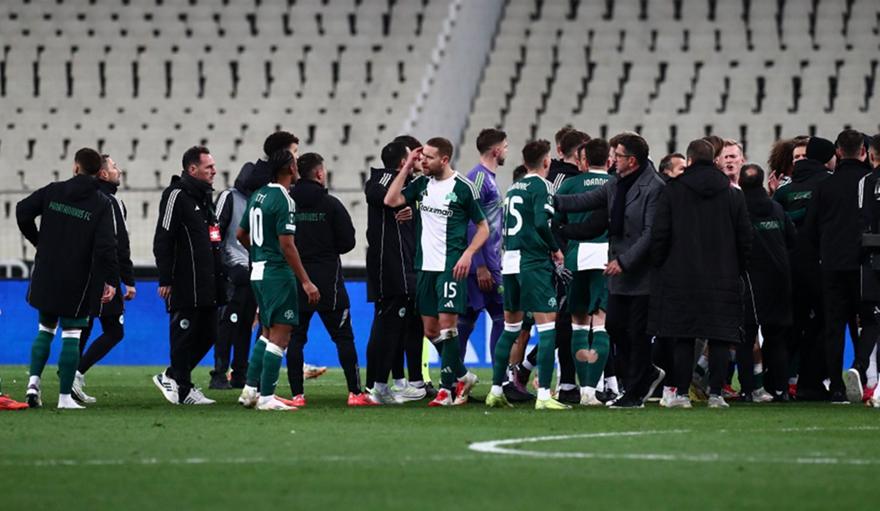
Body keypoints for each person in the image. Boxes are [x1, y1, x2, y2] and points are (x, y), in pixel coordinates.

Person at [555, 133, 666, 408]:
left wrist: (624, 261)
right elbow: (586, 200)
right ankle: (646, 374)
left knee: (637, 333)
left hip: (641, 272)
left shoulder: (654, 187)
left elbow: (650, 234)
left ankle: (635, 392)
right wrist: (553, 203)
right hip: (618, 272)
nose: (612, 160)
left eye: (617, 155)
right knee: (615, 327)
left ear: (632, 160)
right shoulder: (615, 183)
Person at [384, 137, 489, 406]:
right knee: (431, 331)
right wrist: (407, 165)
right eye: (422, 156)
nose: (423, 161)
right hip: (425, 267)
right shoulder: (422, 184)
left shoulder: (463, 187)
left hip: (450, 266)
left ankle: (446, 391)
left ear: (444, 159)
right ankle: (463, 375)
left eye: (428, 157)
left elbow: (483, 227)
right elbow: (391, 199)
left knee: (447, 326)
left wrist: (468, 254)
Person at [648, 139, 751, 409]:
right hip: (723, 274)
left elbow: (660, 234)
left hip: (680, 275)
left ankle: (681, 394)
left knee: (683, 335)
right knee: (720, 336)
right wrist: (737, 269)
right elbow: (745, 238)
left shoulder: (672, 191)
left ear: (690, 160)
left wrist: (661, 265)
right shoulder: (733, 194)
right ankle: (716, 394)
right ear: (715, 160)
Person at [16, 147, 119, 409]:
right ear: (98, 173)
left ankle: (33, 384)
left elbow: (22, 211)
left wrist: (38, 241)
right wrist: (108, 279)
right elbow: (106, 246)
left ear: (75, 167)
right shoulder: (102, 203)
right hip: (78, 277)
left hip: (47, 271)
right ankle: (64, 398)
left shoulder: (53, 191)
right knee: (71, 334)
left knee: (45, 329)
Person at [286, 153, 375, 407]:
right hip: (329, 282)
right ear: (319, 173)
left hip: (296, 280)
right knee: (343, 338)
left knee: (295, 340)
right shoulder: (331, 204)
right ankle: (355, 393)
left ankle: (297, 396)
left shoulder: (288, 203)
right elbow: (348, 242)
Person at [236, 149, 320, 411]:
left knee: (266, 332)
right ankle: (267, 398)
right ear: (290, 168)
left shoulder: (258, 194)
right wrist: (306, 281)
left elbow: (240, 234)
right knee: (281, 336)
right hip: (276, 274)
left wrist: (260, 253)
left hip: (258, 271)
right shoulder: (285, 199)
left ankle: (250, 391)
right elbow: (287, 245)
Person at [487, 139, 568, 410]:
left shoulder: (514, 187)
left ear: (524, 162)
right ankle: (544, 395)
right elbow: (540, 223)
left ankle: (496, 390)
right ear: (546, 161)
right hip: (532, 263)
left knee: (510, 329)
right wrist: (555, 249)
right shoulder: (542, 186)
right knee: (547, 328)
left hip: (509, 262)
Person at [152, 146, 227, 405]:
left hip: (208, 281)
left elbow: (213, 239)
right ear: (192, 169)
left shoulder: (205, 198)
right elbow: (163, 238)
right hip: (184, 280)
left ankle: (172, 376)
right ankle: (183, 389)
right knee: (183, 335)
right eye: (209, 167)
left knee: (210, 334)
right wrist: (165, 278)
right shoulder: (175, 195)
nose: (214, 171)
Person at [804, 129, 873, 403]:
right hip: (863, 264)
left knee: (834, 326)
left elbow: (810, 230)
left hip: (832, 264)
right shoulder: (869, 183)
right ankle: (861, 371)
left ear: (838, 152)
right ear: (864, 151)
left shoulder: (825, 185)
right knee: (868, 322)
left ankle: (835, 386)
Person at [364, 141, 430, 403]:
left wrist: (413, 210)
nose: (420, 161)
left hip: (408, 266)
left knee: (406, 327)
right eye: (415, 157)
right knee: (388, 326)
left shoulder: (414, 186)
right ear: (404, 162)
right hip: (391, 268)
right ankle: (377, 385)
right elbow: (380, 196)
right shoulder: (382, 178)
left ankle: (407, 382)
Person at [554, 138, 613, 406]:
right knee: (600, 323)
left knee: (577, 323)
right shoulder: (616, 185)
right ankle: (590, 391)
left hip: (576, 258)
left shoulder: (570, 185)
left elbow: (554, 222)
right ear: (609, 160)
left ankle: (581, 389)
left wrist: (560, 252)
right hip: (606, 259)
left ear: (584, 160)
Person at [773, 136, 832, 399]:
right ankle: (803, 380)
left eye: (803, 156)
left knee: (797, 325)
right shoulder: (786, 190)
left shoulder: (786, 191)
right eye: (795, 157)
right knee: (811, 324)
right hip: (812, 264)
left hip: (796, 265)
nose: (799, 160)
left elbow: (779, 220)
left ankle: (785, 382)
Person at [75, 155, 136, 403]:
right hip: (103, 275)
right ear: (102, 174)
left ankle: (68, 377)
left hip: (80, 273)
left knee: (83, 327)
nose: (118, 170)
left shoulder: (84, 198)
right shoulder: (110, 202)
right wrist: (127, 279)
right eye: (113, 167)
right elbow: (118, 243)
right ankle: (76, 373)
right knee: (114, 331)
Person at [740, 164, 796, 402]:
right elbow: (792, 239)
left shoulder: (739, 209)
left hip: (751, 279)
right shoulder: (776, 208)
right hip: (781, 278)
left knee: (746, 337)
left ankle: (748, 389)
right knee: (776, 338)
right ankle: (781, 389)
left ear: (741, 183)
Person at [457, 129, 507, 370]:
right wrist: (480, 265)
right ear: (496, 151)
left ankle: (453, 378)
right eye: (505, 147)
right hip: (484, 265)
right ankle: (500, 379)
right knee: (503, 318)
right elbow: (471, 222)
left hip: (488, 261)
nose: (506, 151)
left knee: (466, 320)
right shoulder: (478, 178)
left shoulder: (488, 178)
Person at [211, 160, 260, 389]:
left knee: (245, 323)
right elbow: (215, 228)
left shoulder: (256, 200)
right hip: (234, 268)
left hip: (252, 268)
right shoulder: (228, 196)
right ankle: (219, 373)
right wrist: (220, 263)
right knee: (228, 323)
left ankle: (239, 372)